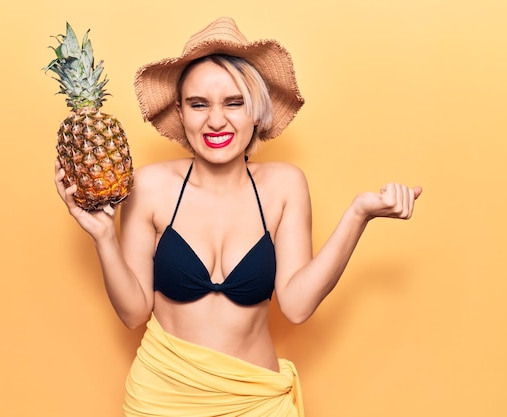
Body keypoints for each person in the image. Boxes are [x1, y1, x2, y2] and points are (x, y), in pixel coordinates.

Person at [55, 17, 421, 417]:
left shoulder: (285, 185)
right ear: (180, 111)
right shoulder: (149, 186)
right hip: (163, 396)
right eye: (199, 104)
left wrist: (359, 214)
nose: (216, 121)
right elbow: (133, 313)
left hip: (256, 400)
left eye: (234, 103)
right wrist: (103, 237)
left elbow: (297, 307)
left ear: (257, 111)